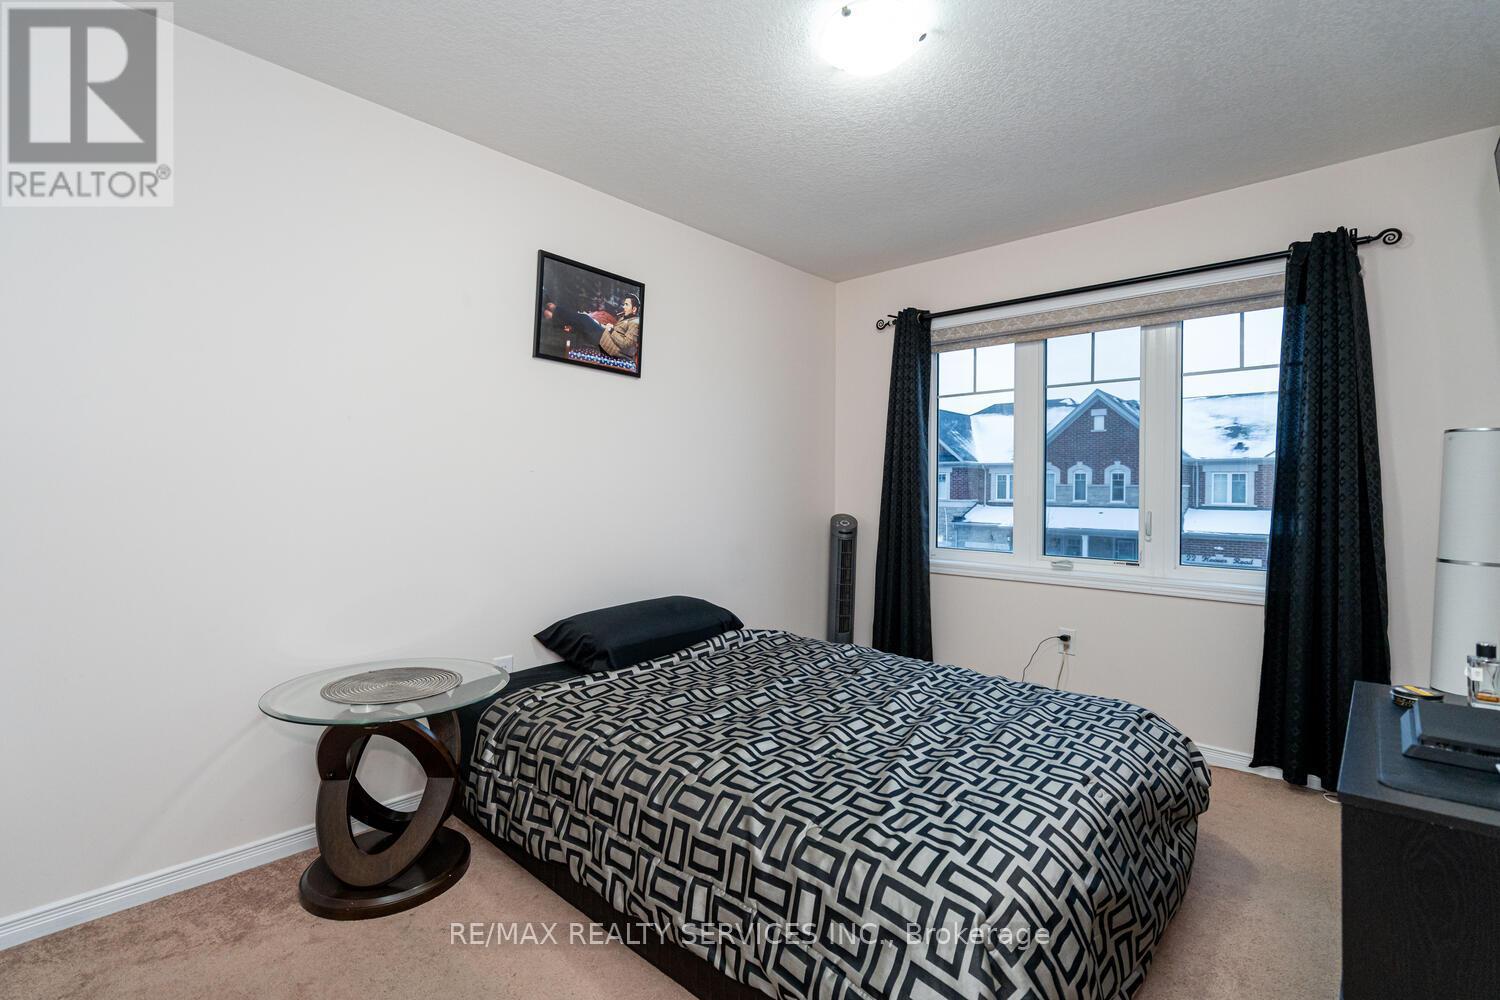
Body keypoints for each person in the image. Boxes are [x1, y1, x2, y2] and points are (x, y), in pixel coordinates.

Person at [598, 294, 641, 359]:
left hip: (613, 347)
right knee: (586, 319)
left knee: (584, 319)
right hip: (607, 338)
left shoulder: (635, 323)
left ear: (634, 309)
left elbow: (626, 345)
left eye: (626, 304)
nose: (624, 307)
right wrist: (605, 326)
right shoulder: (625, 318)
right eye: (624, 304)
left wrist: (611, 330)